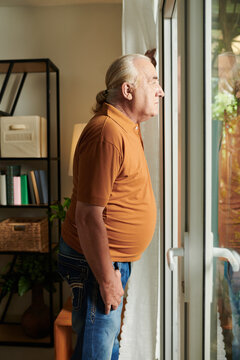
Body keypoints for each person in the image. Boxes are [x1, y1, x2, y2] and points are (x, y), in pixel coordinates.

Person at [58, 53, 164, 360]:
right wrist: (106, 279)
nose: (161, 91)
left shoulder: (125, 123)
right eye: (154, 82)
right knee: (96, 350)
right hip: (97, 262)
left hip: (109, 260)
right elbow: (88, 217)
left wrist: (149, 60)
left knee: (106, 343)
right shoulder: (107, 134)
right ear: (128, 91)